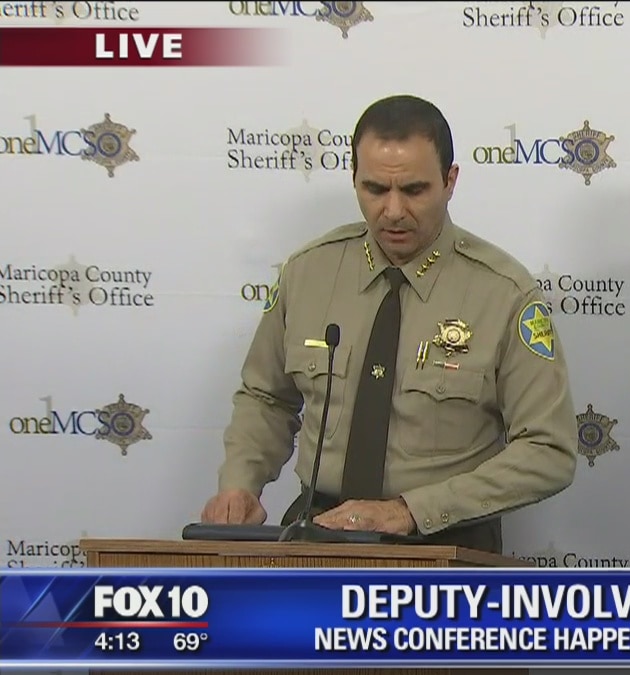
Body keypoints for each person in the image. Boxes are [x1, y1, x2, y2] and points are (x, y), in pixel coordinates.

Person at [200, 94, 578, 554]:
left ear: (450, 181)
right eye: (376, 189)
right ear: (354, 179)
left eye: (414, 190)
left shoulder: (504, 294)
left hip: (445, 542)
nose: (394, 210)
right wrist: (240, 483)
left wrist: (411, 511)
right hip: (317, 532)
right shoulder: (308, 273)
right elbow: (267, 397)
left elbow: (548, 450)